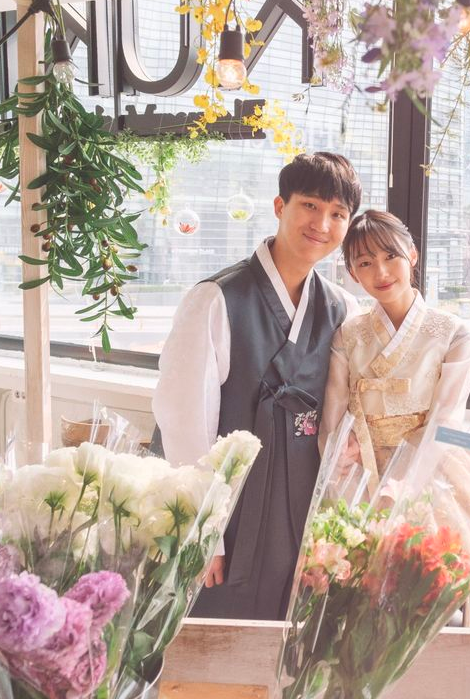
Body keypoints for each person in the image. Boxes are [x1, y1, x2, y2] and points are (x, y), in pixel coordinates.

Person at [152, 152, 362, 621]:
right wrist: (203, 533)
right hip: (230, 508)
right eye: (310, 206)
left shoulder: (341, 308)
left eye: (337, 214)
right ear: (280, 206)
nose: (321, 224)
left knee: (290, 636)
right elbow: (183, 422)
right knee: (218, 633)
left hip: (300, 509)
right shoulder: (216, 298)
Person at [320, 210, 470, 597]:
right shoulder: (348, 335)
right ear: (353, 274)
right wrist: (338, 453)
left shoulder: (453, 333)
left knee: (443, 587)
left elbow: (447, 422)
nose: (381, 271)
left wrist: (400, 486)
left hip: (431, 466)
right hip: (361, 472)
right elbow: (333, 415)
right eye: (365, 263)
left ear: (412, 255)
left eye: (390, 256)